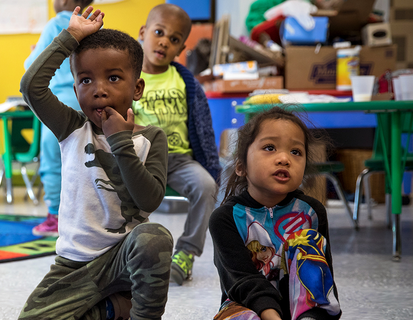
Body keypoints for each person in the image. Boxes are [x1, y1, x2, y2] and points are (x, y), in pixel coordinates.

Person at [19, 6, 173, 320]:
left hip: (123, 261)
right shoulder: (71, 127)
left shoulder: (152, 138)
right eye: (86, 80)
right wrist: (69, 37)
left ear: (137, 88)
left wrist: (120, 143)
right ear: (75, 90)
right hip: (73, 265)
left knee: (154, 238)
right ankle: (112, 309)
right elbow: (31, 88)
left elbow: (150, 198)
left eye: (113, 78)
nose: (99, 90)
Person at [209, 106, 342, 320]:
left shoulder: (312, 212)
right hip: (246, 305)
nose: (284, 159)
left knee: (306, 241)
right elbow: (241, 281)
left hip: (304, 310)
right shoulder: (225, 218)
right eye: (270, 147)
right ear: (241, 166)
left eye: (296, 152)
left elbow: (322, 279)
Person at [133, 3, 221, 285]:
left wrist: (210, 163)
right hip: (140, 160)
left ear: (181, 48)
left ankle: (186, 253)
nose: (164, 42)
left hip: (179, 159)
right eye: (159, 32)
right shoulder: (128, 75)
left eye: (174, 40)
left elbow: (202, 126)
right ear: (143, 33)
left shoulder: (186, 82)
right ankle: (124, 252)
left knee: (207, 186)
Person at [24, 0, 94, 237]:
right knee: (87, 160)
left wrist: (34, 53)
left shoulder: (55, 25)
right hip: (86, 99)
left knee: (54, 162)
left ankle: (55, 215)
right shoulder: (91, 26)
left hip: (56, 102)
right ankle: (85, 214)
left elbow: (32, 67)